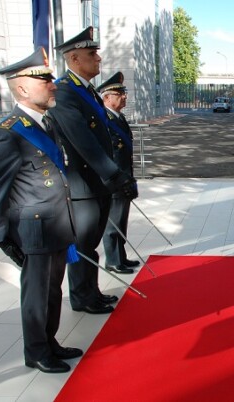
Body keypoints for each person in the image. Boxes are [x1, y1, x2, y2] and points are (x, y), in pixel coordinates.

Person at [0, 48, 83, 373]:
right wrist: (5, 241)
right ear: (21, 89)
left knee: (52, 291)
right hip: (32, 233)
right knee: (36, 296)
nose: (53, 84)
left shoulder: (44, 126)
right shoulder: (8, 133)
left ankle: (50, 342)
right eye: (44, 79)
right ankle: (36, 352)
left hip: (57, 227)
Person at [47, 27, 137, 315]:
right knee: (84, 245)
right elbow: (83, 142)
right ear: (74, 58)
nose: (98, 59)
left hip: (97, 183)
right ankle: (81, 296)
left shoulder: (85, 92)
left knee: (92, 243)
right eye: (91, 54)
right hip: (83, 184)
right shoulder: (64, 91)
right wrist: (113, 174)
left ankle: (91, 292)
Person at [98, 72, 140, 274]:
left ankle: (121, 257)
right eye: (119, 93)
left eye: (124, 93)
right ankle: (113, 260)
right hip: (113, 181)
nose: (124, 97)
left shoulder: (118, 118)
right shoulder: (102, 120)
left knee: (122, 221)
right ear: (107, 97)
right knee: (113, 222)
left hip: (124, 178)